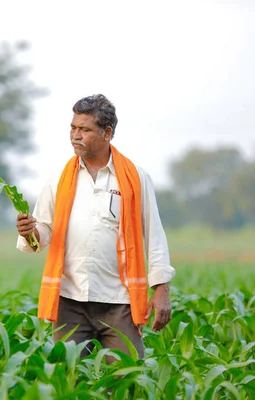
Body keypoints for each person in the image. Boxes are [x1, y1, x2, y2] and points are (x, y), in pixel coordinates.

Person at [15, 94, 175, 360]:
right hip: (70, 302)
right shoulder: (58, 178)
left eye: (85, 129)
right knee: (70, 380)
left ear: (107, 133)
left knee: (126, 380)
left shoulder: (136, 177)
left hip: (119, 301)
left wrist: (162, 289)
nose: (75, 135)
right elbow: (42, 233)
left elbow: (154, 235)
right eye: (73, 128)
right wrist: (29, 232)